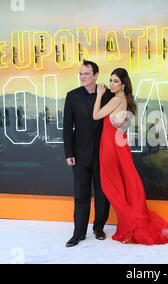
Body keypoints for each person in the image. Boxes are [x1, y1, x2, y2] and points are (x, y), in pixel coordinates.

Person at [93, 68, 168, 245]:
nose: (111, 84)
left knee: (114, 187)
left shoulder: (116, 99)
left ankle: (133, 224)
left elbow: (96, 115)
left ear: (123, 83)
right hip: (120, 146)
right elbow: (126, 122)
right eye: (110, 80)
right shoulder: (126, 100)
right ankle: (131, 225)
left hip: (112, 147)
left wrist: (99, 94)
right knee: (126, 185)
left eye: (115, 81)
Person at [63, 60, 126, 247]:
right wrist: (69, 153)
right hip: (80, 154)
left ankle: (99, 228)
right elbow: (67, 127)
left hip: (104, 152)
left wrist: (125, 122)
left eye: (86, 74)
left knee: (102, 193)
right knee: (81, 194)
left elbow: (126, 108)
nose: (82, 77)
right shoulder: (72, 96)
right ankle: (78, 233)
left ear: (96, 75)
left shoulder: (108, 94)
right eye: (80, 74)